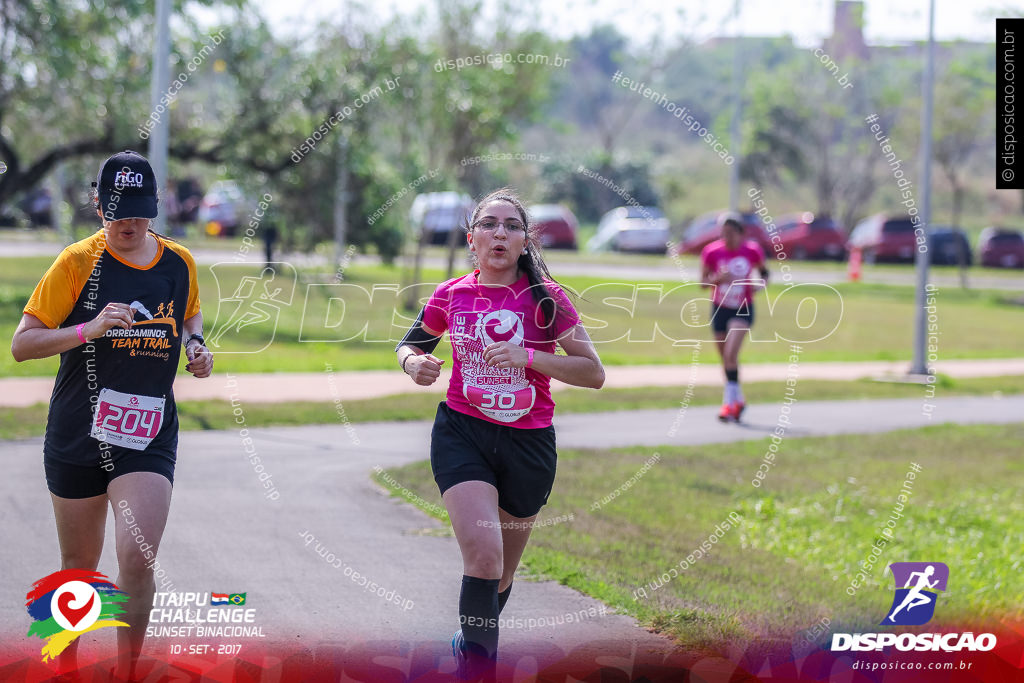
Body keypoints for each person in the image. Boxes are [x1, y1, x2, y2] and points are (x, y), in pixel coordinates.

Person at [10, 150, 212, 680]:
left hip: (147, 432)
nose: (130, 223)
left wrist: (196, 344)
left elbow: (188, 312)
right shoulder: (77, 261)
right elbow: (22, 344)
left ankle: (127, 671)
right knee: (78, 572)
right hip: (77, 430)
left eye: (141, 211)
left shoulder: (177, 261)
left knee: (138, 558)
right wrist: (87, 329)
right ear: (99, 204)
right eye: (119, 210)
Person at [395, 188, 604, 679]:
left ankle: (470, 645)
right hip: (462, 432)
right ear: (472, 239)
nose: (500, 233)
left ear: (525, 241)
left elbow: (592, 373)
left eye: (512, 226)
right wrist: (413, 364)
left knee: (502, 573)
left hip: (528, 444)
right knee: (484, 558)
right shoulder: (451, 293)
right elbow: (410, 344)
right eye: (489, 224)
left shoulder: (548, 300)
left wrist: (528, 356)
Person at [700, 212, 767, 422]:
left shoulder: (752, 251)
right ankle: (737, 400)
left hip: (743, 308)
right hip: (720, 308)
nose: (726, 237)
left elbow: (764, 274)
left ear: (741, 233)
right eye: (723, 233)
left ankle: (728, 405)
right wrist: (719, 278)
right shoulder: (711, 252)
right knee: (726, 360)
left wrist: (760, 285)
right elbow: (703, 283)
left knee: (730, 354)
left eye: (730, 233)